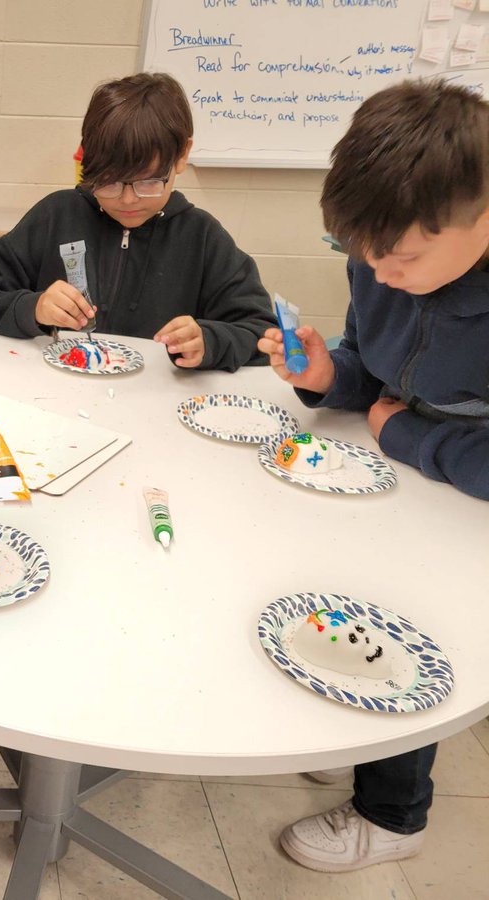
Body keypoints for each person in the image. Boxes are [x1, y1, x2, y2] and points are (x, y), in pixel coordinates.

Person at [260, 80, 489, 873]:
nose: (381, 275)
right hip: (405, 471)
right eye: (362, 255)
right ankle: (361, 734)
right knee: (342, 578)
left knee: (414, 617)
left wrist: (409, 437)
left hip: (464, 493)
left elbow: (407, 416)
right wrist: (328, 376)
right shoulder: (379, 258)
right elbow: (376, 371)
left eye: (405, 258)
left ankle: (393, 815)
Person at [0, 72, 275, 372]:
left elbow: (261, 335)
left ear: (181, 155)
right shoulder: (55, 216)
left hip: (153, 401)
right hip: (53, 394)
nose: (128, 199)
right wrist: (33, 308)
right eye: (108, 183)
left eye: (148, 182)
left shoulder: (202, 239)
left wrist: (209, 341)